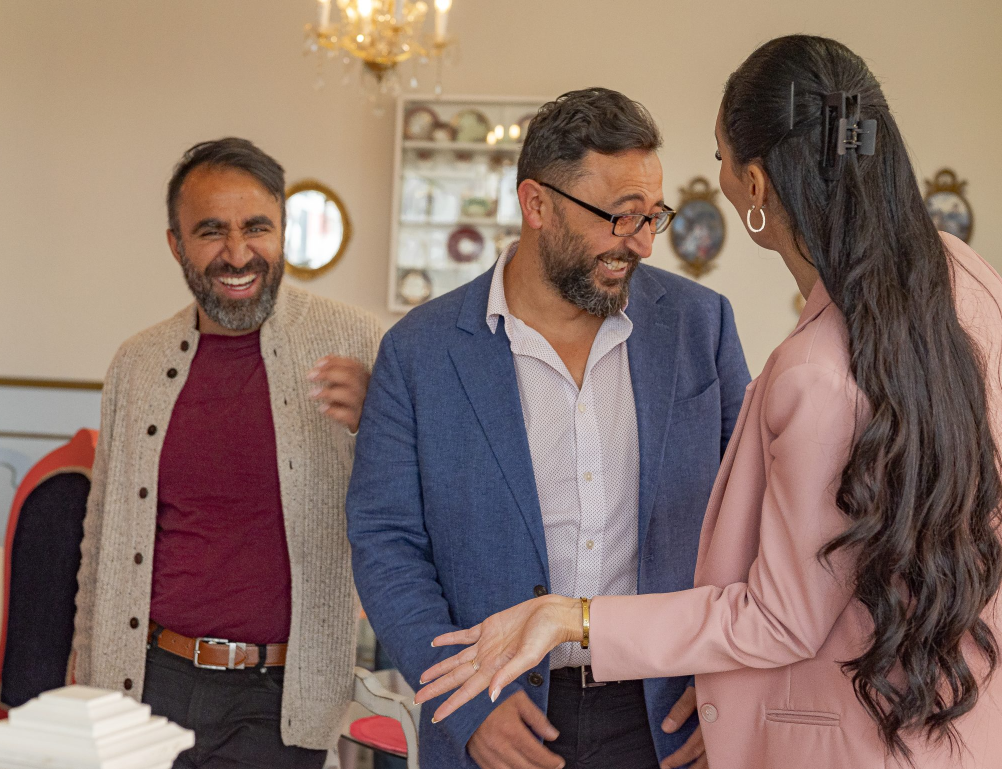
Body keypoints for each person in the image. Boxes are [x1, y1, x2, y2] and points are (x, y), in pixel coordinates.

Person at [413, 35, 1002, 769]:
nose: (715, 174)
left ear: (755, 186)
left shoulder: (806, 368)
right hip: (961, 721)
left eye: (720, 155)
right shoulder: (962, 275)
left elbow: (777, 617)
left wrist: (572, 617)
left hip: (847, 732)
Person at [347, 88, 751, 769]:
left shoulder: (700, 326)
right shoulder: (418, 351)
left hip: (668, 718)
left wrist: (731, 693)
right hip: (496, 716)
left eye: (654, 216)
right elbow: (386, 543)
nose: (644, 243)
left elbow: (754, 518)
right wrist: (468, 707)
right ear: (536, 205)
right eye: (621, 218)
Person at [72, 137, 382, 768]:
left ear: (283, 231)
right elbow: (102, 533)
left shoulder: (361, 344)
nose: (238, 254)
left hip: (278, 697)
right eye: (211, 231)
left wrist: (383, 417)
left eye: (257, 228)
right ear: (176, 243)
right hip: (146, 682)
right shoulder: (137, 364)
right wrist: (87, 663)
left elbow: (431, 503)